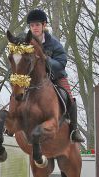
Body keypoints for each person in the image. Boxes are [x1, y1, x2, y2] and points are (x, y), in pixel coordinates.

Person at [26, 9, 84, 143]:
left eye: (37, 25)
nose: (34, 28)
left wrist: (45, 59)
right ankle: (12, 121)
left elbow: (62, 62)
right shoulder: (25, 42)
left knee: (69, 96)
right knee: (17, 91)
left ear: (44, 25)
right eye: (32, 25)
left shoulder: (53, 43)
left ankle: (74, 130)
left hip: (55, 76)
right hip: (34, 79)